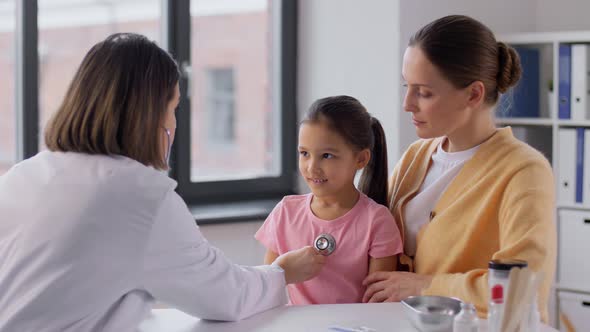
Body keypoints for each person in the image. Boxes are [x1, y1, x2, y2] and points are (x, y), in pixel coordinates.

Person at [0, 33, 326, 332]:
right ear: (152, 115)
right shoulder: (140, 196)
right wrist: (282, 272)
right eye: (174, 107)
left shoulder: (22, 176)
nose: (174, 121)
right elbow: (224, 296)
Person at [362, 15, 556, 322]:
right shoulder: (415, 157)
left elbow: (521, 289)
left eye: (424, 92)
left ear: (473, 94)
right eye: (406, 87)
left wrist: (426, 286)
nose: (407, 104)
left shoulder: (524, 171)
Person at [255, 95, 403, 304]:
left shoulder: (378, 221)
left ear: (361, 159)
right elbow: (267, 289)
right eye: (304, 153)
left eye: (326, 155)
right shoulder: (285, 212)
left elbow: (377, 306)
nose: (311, 167)